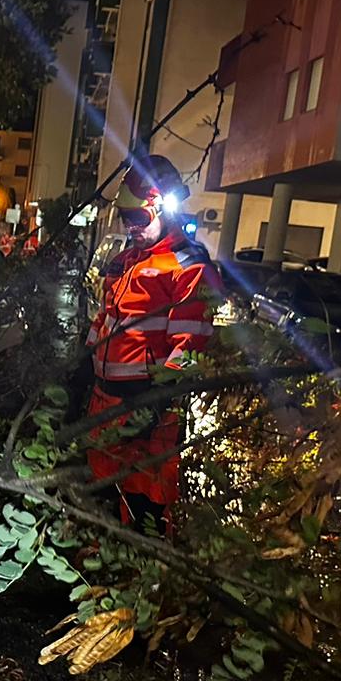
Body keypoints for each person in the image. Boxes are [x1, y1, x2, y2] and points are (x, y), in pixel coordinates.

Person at [84, 154, 218, 532]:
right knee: (101, 503)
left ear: (163, 208)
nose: (132, 227)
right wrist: (83, 367)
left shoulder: (187, 265)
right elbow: (105, 321)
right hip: (105, 402)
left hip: (147, 409)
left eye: (138, 218)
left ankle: (145, 580)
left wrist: (158, 402)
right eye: (126, 219)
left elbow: (191, 346)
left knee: (145, 506)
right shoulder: (126, 262)